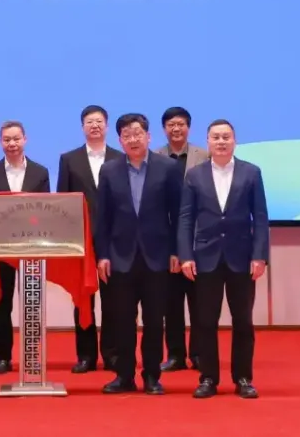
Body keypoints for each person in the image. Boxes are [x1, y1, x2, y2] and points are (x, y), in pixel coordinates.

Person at [178, 119, 269, 399]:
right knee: (205, 321)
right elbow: (186, 219)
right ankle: (208, 378)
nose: (221, 142)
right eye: (215, 137)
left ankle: (243, 378)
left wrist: (260, 256)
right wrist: (185, 255)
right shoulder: (195, 175)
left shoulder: (251, 172)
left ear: (234, 141)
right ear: (207, 141)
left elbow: (260, 217)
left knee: (243, 321)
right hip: (205, 258)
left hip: (242, 259)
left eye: (226, 137)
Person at [95, 113, 183, 395]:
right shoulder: (109, 170)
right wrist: (102, 255)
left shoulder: (168, 168)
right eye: (127, 135)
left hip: (157, 257)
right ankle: (124, 375)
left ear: (148, 136)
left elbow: (178, 214)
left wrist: (176, 251)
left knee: (155, 321)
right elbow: (102, 218)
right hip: (120, 257)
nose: (133, 139)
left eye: (137, 133)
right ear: (120, 140)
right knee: (122, 320)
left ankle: (152, 376)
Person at [56, 104, 124, 373]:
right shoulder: (69, 159)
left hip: (115, 239)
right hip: (79, 239)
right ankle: (85, 355)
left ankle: (112, 354)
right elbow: (62, 202)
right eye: (89, 122)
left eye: (99, 121)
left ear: (106, 126)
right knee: (83, 298)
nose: (94, 126)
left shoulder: (121, 158)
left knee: (114, 300)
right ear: (82, 127)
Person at [0, 121, 51, 374]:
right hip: (2, 248)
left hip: (33, 247)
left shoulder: (40, 171)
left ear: (25, 140)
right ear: (0, 142)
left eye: (16, 139)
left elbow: (46, 209)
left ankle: (32, 355)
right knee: (1, 303)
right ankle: (3, 357)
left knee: (32, 302)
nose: (12, 144)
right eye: (7, 139)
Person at [154, 106, 209, 372]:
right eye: (171, 125)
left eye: (181, 124)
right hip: (166, 244)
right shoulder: (155, 158)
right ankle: (175, 354)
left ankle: (198, 354)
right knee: (171, 305)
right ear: (164, 129)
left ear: (188, 127)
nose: (176, 129)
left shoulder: (205, 156)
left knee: (199, 304)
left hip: (199, 242)